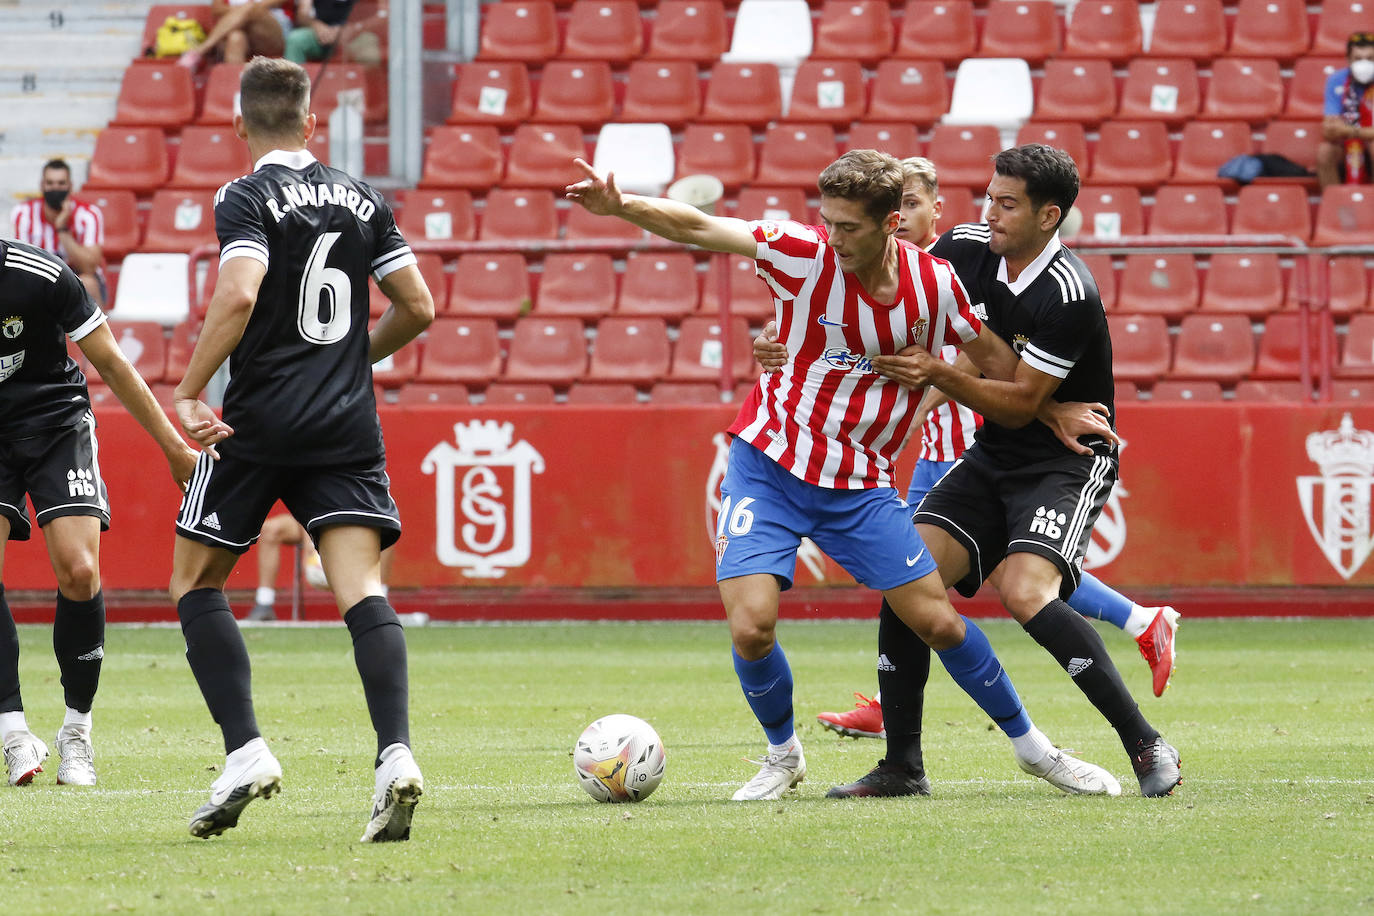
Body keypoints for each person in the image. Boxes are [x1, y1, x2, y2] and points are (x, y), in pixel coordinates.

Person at [567, 149, 1125, 802]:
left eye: (849, 227)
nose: (833, 237)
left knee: (939, 624)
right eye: (827, 221)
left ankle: (1037, 751)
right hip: (770, 465)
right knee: (751, 625)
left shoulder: (936, 285)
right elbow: (698, 229)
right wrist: (622, 206)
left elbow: (993, 360)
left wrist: (1048, 403)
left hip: (859, 484)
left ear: (891, 224)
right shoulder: (800, 253)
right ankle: (782, 756)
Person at [753, 159, 1177, 740]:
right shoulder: (965, 247)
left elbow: (1017, 398)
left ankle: (1145, 742)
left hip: (1063, 459)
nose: (990, 213)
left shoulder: (1070, 293)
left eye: (1007, 204)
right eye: (990, 197)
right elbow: (891, 300)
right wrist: (785, 337)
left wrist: (941, 378)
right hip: (992, 450)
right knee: (910, 579)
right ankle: (902, 763)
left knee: (1025, 590)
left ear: (1049, 216)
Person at [168, 57, 434, 841]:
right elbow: (418, 306)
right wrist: (351, 358)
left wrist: (189, 389)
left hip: (257, 423)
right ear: (313, 122)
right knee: (362, 590)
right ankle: (395, 757)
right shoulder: (363, 197)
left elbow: (241, 289)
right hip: (346, 424)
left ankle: (246, 750)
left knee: (194, 580)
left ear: (240, 126)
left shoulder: (243, 194)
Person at [1, 239, 198, 788]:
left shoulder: (41, 275)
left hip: (55, 421)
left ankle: (76, 730)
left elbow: (110, 359)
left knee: (80, 571)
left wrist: (173, 447)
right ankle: (14, 732)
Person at [245, 512, 395, 622]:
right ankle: (264, 604)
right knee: (271, 529)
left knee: (384, 527)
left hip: (350, 515)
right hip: (310, 516)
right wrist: (310, 543)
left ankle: (379, 603)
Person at [9, 159, 106, 309]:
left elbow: (89, 267)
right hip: (40, 278)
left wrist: (62, 229)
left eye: (61, 183)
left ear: (70, 186)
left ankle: (97, 333)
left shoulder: (88, 215)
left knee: (89, 283)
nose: (55, 188)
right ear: (42, 185)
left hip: (78, 277)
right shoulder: (24, 214)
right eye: (50, 183)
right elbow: (22, 265)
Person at [1318, 32, 1374, 188]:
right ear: (1348, 60)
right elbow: (1329, 129)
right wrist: (1353, 133)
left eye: (1370, 59)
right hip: (1347, 145)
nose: (1365, 64)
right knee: (1325, 151)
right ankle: (1334, 208)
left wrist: (1350, 131)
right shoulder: (1337, 80)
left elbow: (1340, 128)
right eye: (1358, 59)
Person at [178, 0, 294, 70]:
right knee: (235, 38)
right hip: (244, 35)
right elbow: (216, 9)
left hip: (275, 34)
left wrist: (239, 11)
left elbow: (260, 7)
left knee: (250, 8)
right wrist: (241, 12)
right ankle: (237, 96)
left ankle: (200, 50)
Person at [284, 0, 357, 64]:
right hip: (320, 33)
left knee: (366, 49)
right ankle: (293, 79)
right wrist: (317, 26)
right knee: (295, 40)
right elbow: (302, 14)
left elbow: (368, 18)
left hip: (356, 34)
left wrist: (353, 29)